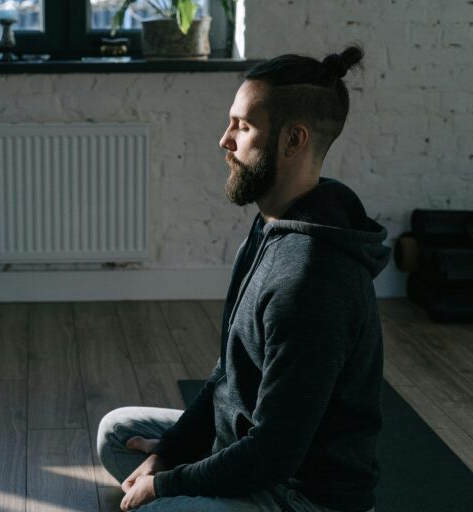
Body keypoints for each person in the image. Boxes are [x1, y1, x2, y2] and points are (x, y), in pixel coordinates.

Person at [97, 46, 390, 512]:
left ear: (293, 141)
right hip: (249, 451)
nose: (225, 140)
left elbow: (274, 453)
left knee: (153, 506)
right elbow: (229, 373)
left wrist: (167, 485)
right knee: (117, 432)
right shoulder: (275, 224)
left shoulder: (313, 281)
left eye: (243, 127)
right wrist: (171, 451)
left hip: (296, 495)